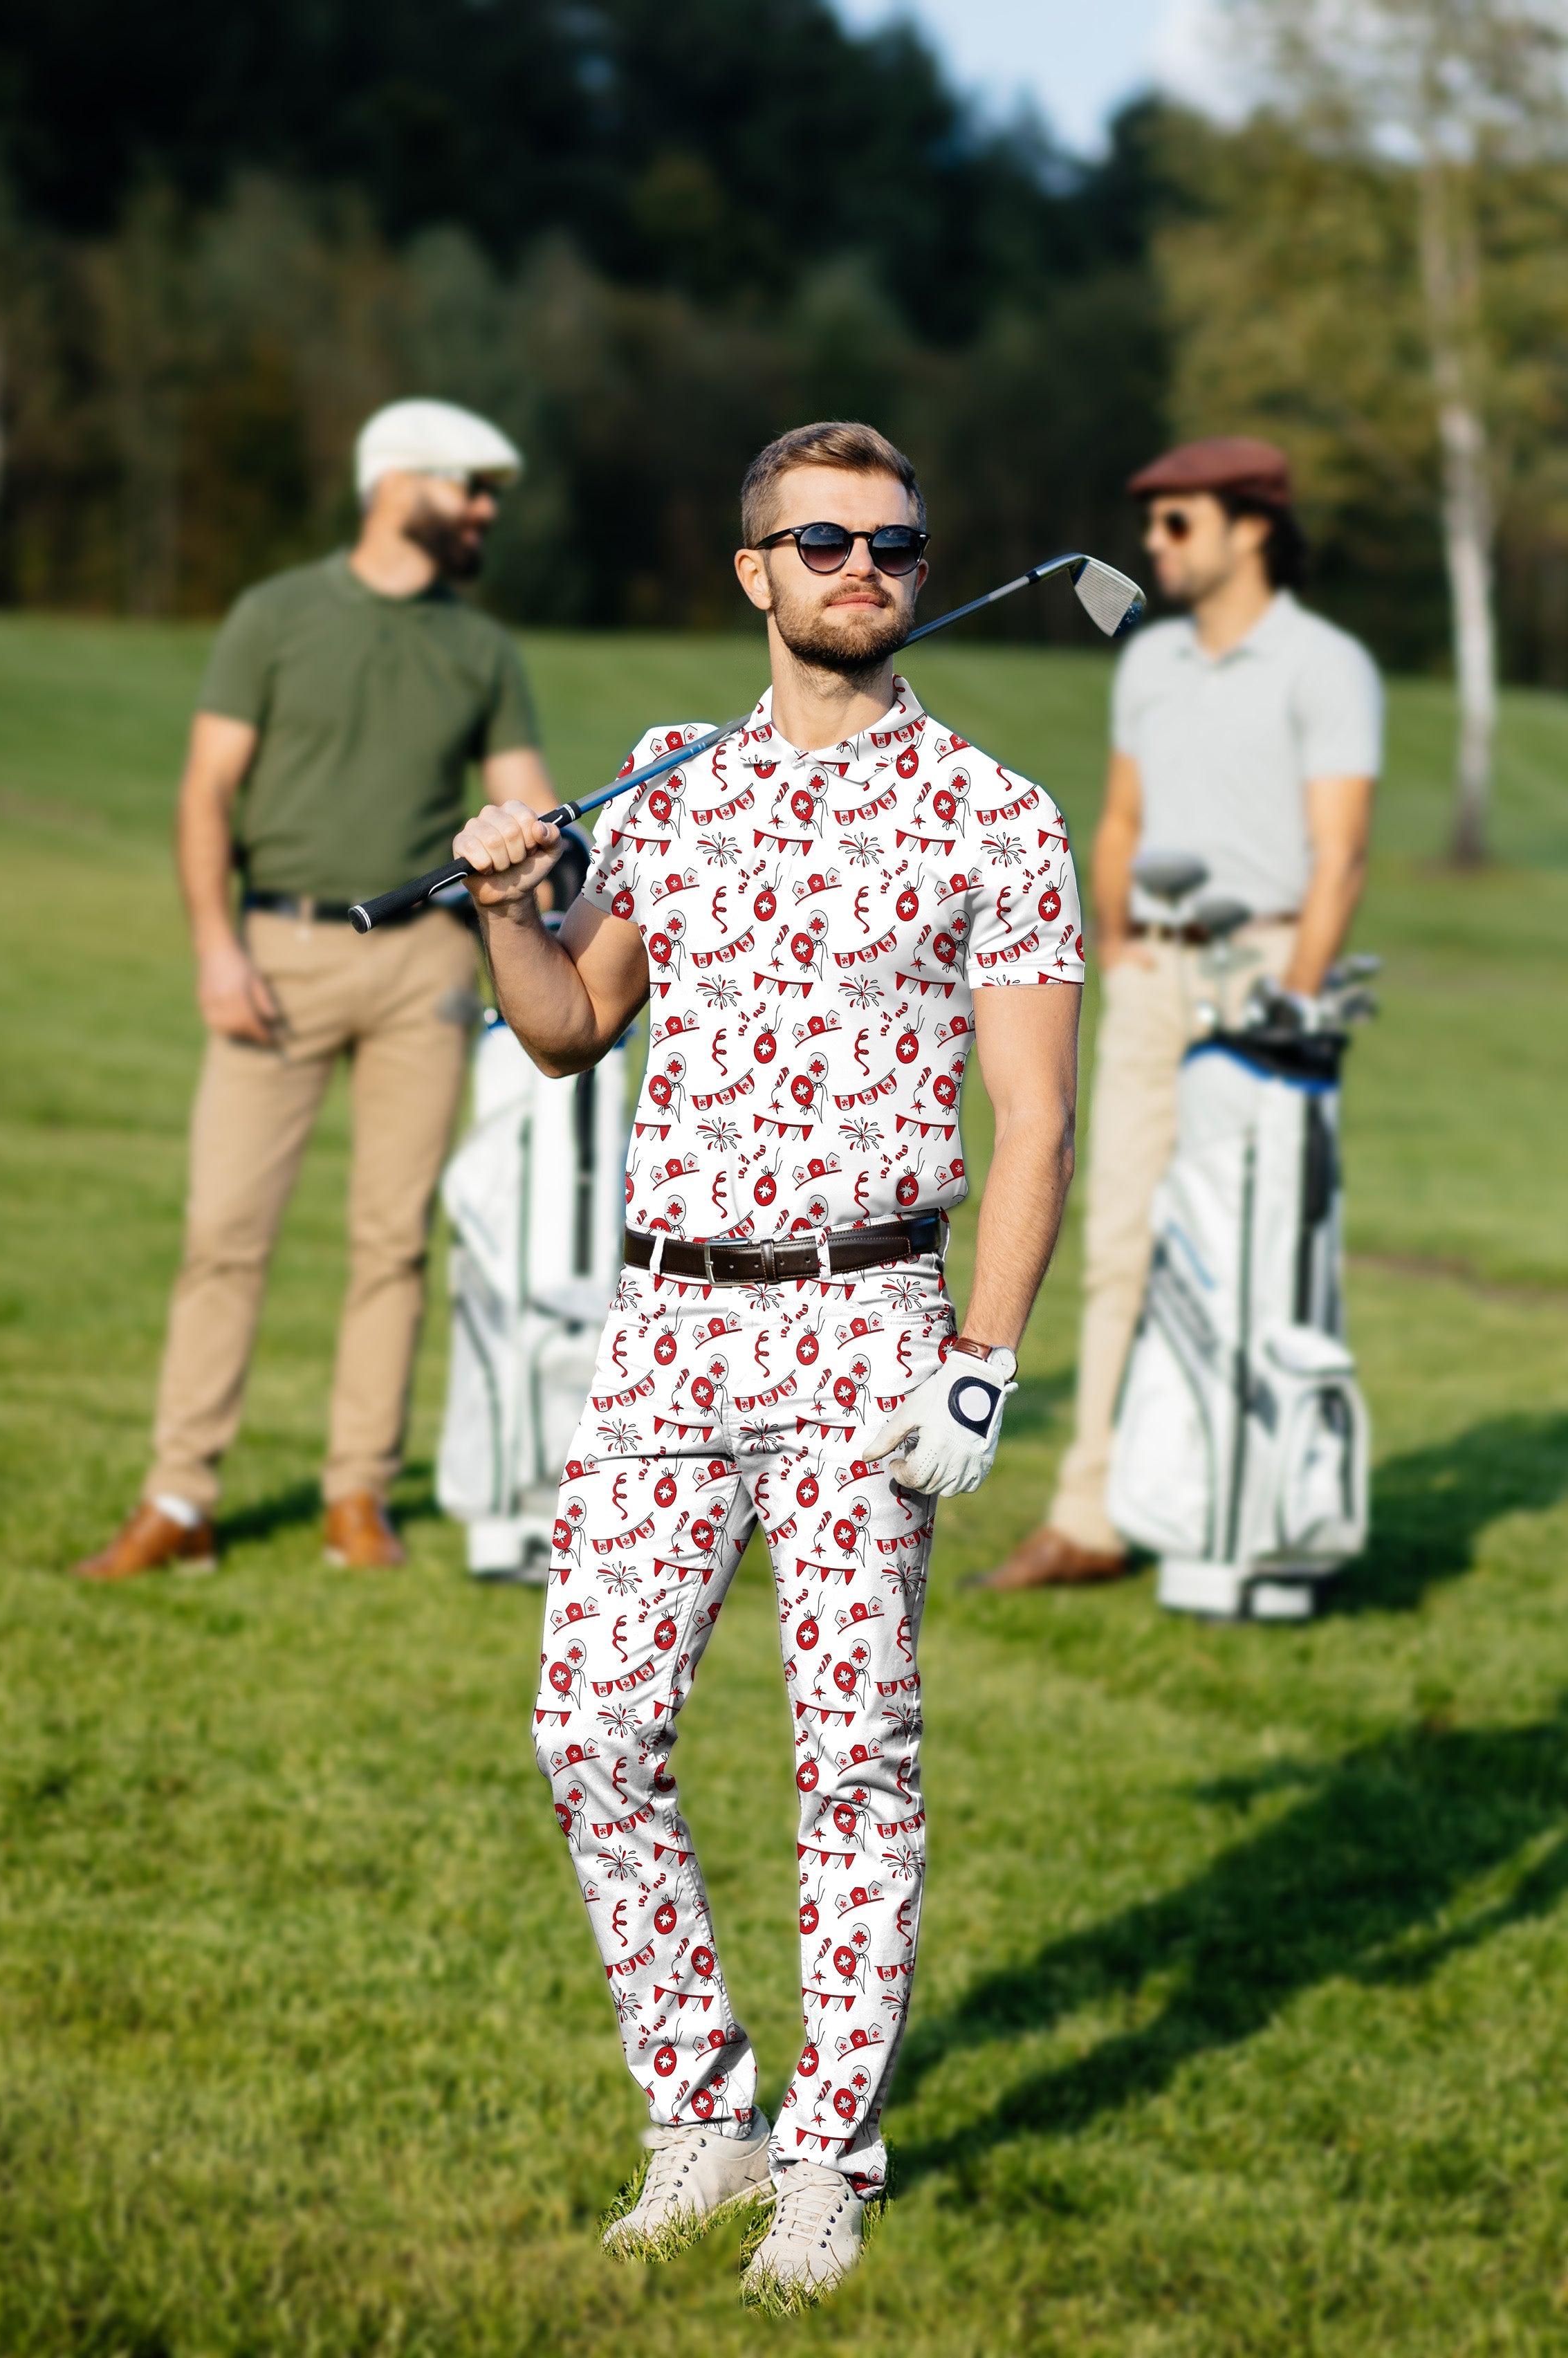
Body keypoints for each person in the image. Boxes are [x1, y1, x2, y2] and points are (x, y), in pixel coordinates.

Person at [451, 421, 1083, 2303]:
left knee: (852, 1759)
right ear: (758, 575)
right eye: (820, 540)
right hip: (665, 1323)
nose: (861, 566)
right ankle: (698, 2108)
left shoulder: (997, 809)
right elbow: (567, 1026)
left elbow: (1035, 1121)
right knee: (592, 1729)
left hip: (867, 1323)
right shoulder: (669, 783)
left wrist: (984, 1356)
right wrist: (504, 900)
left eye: (891, 540)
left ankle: (828, 2154)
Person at [74, 398, 556, 1581]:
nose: (487, 510)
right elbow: (206, 793)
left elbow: (534, 803)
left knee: (392, 1240)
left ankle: (357, 1499)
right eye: (470, 487)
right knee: (223, 1233)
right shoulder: (274, 616)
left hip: (427, 969)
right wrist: (214, 949)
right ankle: (180, 1497)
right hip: (275, 952)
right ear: (398, 485)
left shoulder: (481, 647)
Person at [977, 434, 1382, 1592]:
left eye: (1178, 523)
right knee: (1117, 1248)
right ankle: (1093, 1514)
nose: (1154, 545)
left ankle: (1245, 1511)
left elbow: (1341, 856)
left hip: (1264, 974)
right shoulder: (1148, 663)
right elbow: (1119, 822)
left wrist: (1293, 1006)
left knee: (1250, 1253)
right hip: (1153, 975)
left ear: (1253, 526)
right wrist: (1119, 945)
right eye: (1150, 524)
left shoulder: (1325, 664)